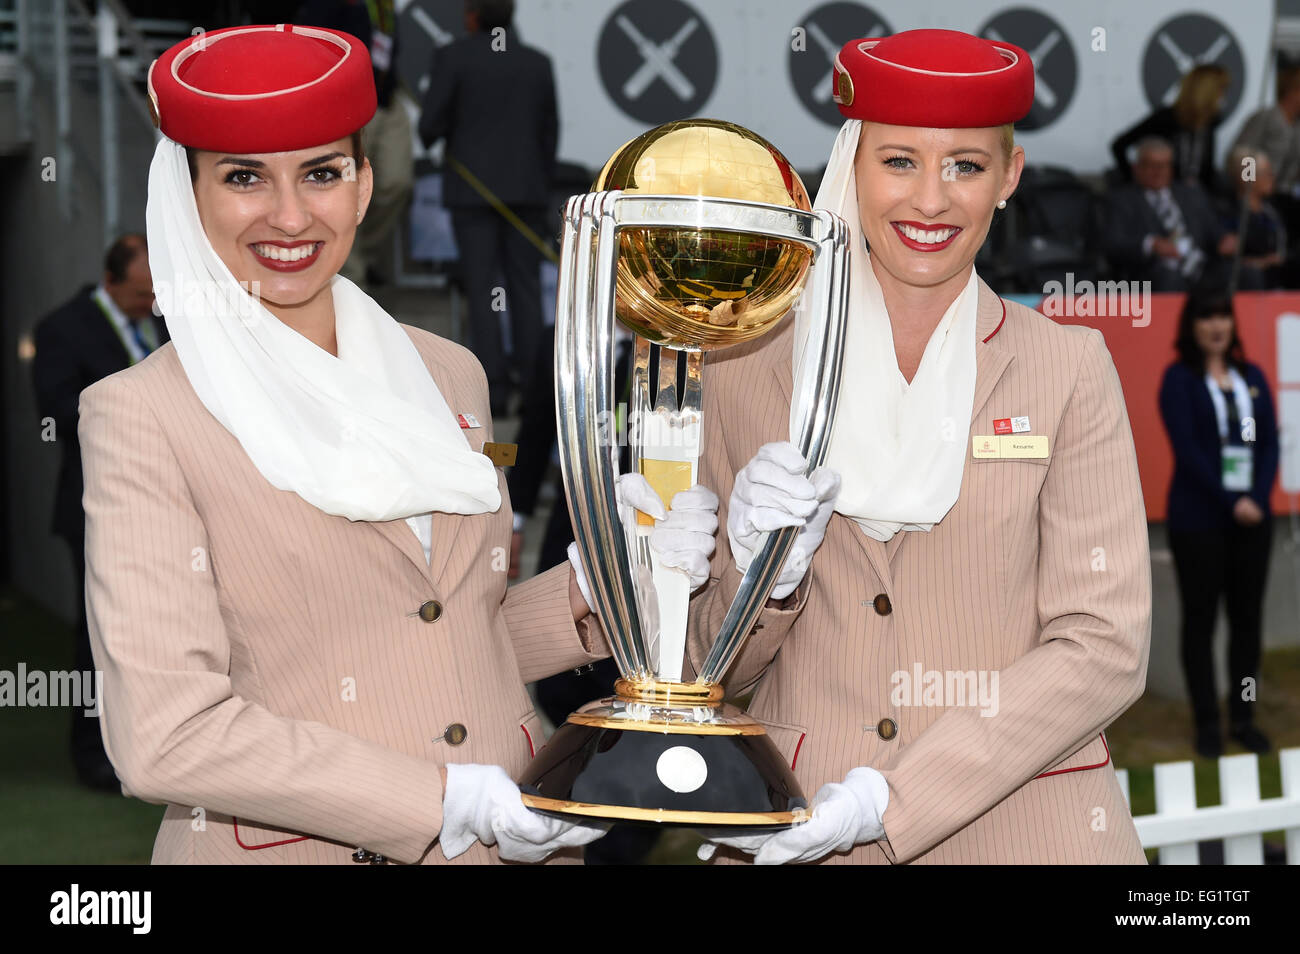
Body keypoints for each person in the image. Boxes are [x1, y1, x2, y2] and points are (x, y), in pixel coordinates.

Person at [80, 23, 607, 865]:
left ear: (364, 185)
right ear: (187, 197)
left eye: (322, 173)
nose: (290, 216)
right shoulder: (142, 415)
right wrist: (438, 801)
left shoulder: (449, 373)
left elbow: (445, 628)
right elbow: (163, 732)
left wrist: (597, 589)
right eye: (245, 176)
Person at [670, 29, 1152, 864]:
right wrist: (762, 587)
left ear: (1010, 178)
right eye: (899, 162)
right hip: (800, 818)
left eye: (965, 165)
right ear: (851, 165)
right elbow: (696, 669)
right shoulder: (743, 367)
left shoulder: (1067, 368)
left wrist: (896, 797)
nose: (930, 201)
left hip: (1026, 826)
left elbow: (1102, 646)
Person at [31, 233, 168, 792]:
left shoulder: (165, 319)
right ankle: (94, 755)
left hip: (165, 505)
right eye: (140, 295)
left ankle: (159, 745)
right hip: (95, 505)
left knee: (161, 630)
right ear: (112, 283)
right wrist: (135, 412)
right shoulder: (62, 327)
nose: (150, 305)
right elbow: (58, 411)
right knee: (99, 635)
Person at [417, 0, 558, 417]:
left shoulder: (453, 57)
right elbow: (549, 134)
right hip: (526, 195)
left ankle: (493, 391)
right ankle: (535, 391)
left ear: (471, 17)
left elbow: (428, 129)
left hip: (472, 195)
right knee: (524, 290)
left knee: (484, 291)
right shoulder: (538, 63)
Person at [1158, 287, 1279, 758]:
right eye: (1206, 317)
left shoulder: (1251, 378)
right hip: (1200, 520)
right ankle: (1207, 721)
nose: (1216, 326)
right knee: (1201, 622)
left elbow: (1266, 443)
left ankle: (1244, 715)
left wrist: (1257, 497)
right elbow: (1188, 452)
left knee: (1248, 623)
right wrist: (1233, 500)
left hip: (1252, 520)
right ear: (1191, 326)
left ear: (1233, 325)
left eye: (1223, 316)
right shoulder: (1179, 380)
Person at [297, 0, 414, 290]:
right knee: (346, 186)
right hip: (345, 106)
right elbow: (309, 42)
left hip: (386, 100)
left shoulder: (384, 6)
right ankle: (351, 273)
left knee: (397, 182)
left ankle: (362, 256)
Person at [1103, 137, 1236, 291]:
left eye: (1164, 165)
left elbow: (1213, 229)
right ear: (1137, 168)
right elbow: (1113, 244)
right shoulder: (1121, 200)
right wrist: (1150, 244)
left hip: (1200, 266)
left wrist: (1225, 239)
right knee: (1169, 278)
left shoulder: (1191, 193)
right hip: (1155, 272)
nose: (1159, 172)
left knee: (1242, 273)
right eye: (1153, 166)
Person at [1111, 64, 1231, 196]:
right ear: (1207, 92)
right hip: (1165, 197)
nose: (1223, 96)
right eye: (1221, 90)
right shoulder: (1166, 118)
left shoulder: (1209, 123)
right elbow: (1119, 145)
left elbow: (1206, 170)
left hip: (1198, 199)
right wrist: (1134, 180)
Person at [1218, 147, 1287, 290]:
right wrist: (1261, 263)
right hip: (1250, 285)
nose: (1271, 177)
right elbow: (1226, 258)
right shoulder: (1230, 214)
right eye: (1265, 173)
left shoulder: (1272, 210)